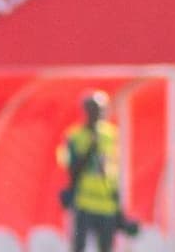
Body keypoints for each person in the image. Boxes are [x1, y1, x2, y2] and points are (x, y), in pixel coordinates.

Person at [57, 91, 127, 252]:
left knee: (106, 248)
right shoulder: (75, 136)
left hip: (107, 204)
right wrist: (90, 149)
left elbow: (114, 169)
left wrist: (118, 205)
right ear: (85, 110)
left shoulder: (111, 134)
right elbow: (72, 170)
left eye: (101, 109)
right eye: (93, 109)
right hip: (84, 203)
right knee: (78, 247)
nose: (97, 113)